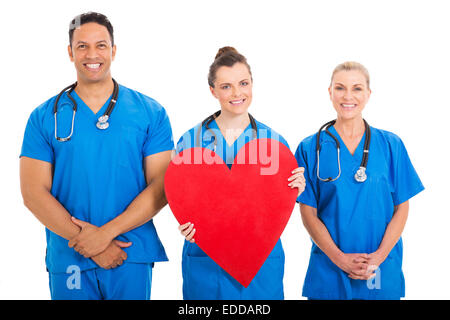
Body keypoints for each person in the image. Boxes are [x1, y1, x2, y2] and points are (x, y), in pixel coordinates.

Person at [19, 12, 173, 300]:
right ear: (70, 52)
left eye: (101, 45)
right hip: (71, 258)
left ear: (113, 51)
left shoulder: (150, 112)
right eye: (82, 46)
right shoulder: (43, 117)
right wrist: (90, 244)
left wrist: (105, 235)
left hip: (131, 253)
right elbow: (32, 193)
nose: (92, 54)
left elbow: (162, 187)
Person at [176, 46, 305, 300]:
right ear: (213, 91)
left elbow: (278, 206)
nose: (237, 93)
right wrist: (184, 226)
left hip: (260, 265)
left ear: (252, 84)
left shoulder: (274, 143)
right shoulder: (191, 142)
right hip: (206, 263)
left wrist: (295, 188)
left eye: (243, 83)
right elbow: (181, 199)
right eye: (226, 86)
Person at [295, 61, 424, 300]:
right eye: (340, 88)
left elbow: (402, 207)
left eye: (357, 88)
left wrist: (379, 257)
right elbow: (308, 213)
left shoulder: (390, 145)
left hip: (379, 269)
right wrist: (340, 259)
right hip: (330, 271)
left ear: (368, 94)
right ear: (330, 92)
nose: (348, 96)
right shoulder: (309, 148)